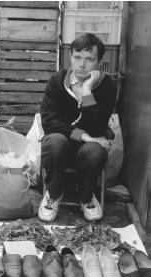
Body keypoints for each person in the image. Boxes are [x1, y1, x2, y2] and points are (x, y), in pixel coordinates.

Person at [39, 33, 117, 222]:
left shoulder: (107, 86)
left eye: (89, 59)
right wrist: (83, 135)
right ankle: (54, 193)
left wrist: (88, 91)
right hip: (63, 140)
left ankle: (86, 196)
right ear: (70, 57)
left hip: (90, 143)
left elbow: (98, 125)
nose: (82, 65)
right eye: (77, 57)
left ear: (99, 61)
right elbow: (49, 122)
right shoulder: (57, 82)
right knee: (54, 142)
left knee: (95, 151)